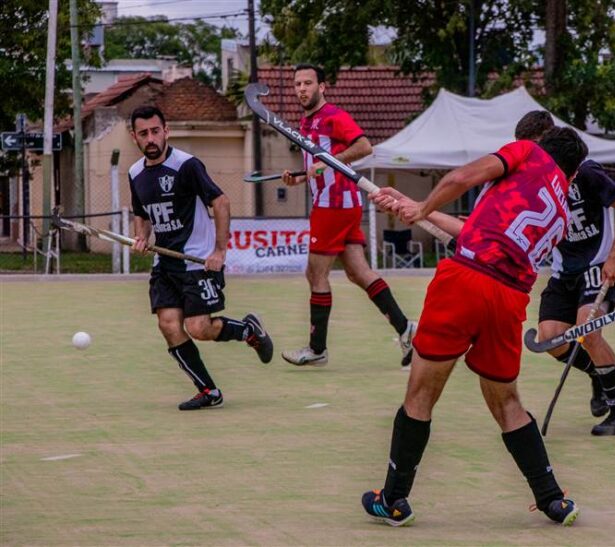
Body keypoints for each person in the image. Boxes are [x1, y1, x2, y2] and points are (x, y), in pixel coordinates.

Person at [361, 127, 589, 526]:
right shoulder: (560, 211)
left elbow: (459, 178)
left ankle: (394, 499)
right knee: (508, 404)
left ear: (541, 146)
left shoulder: (526, 153)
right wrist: (420, 206)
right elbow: (482, 231)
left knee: (420, 395)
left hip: (463, 283)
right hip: (508, 300)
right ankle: (553, 499)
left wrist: (422, 208)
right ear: (571, 174)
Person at [128, 106, 273, 411]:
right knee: (168, 325)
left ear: (166, 130)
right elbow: (141, 214)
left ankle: (248, 330)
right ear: (135, 138)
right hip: (164, 263)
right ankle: (208, 390)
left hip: (196, 262)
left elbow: (220, 202)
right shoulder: (135, 173)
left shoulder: (187, 166)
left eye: (156, 131)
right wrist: (141, 237)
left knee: (199, 328)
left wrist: (219, 251)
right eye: (144, 133)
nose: (151, 138)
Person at [280, 63, 415, 368]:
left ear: (322, 86)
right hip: (339, 203)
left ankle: (317, 350)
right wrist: (299, 177)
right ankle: (407, 330)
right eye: (297, 84)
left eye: (308, 83)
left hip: (334, 205)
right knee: (358, 272)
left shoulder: (334, 117)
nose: (302, 89)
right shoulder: (305, 123)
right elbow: (316, 168)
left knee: (315, 274)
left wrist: (327, 162)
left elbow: (364, 146)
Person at [516, 112, 615, 436]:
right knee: (550, 339)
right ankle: (599, 375)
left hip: (597, 267)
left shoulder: (586, 171)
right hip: (562, 272)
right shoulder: (535, 179)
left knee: (589, 330)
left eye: (534, 149)